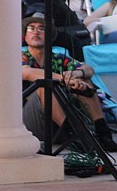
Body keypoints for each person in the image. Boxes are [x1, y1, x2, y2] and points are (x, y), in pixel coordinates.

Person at [21, 12, 117, 150]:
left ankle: (103, 133)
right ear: (25, 36)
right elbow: (27, 73)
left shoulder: (58, 57)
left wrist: (77, 73)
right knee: (45, 85)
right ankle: (75, 135)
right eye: (31, 28)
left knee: (84, 80)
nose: (36, 32)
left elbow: (89, 69)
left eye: (42, 29)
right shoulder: (22, 56)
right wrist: (65, 79)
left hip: (60, 121)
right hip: (32, 123)